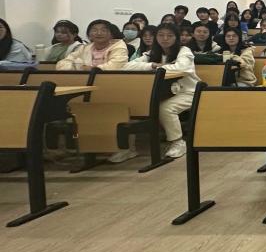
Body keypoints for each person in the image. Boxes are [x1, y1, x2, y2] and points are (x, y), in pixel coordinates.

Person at [121, 23, 199, 161]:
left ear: (176, 38)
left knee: (165, 108)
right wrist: (152, 65)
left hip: (189, 92)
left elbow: (182, 68)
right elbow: (127, 66)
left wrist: (160, 68)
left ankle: (178, 142)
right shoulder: (153, 53)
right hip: (162, 93)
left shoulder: (184, 51)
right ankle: (128, 149)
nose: (165, 39)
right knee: (132, 107)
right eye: (161, 35)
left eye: (169, 35)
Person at [57, 20, 129, 71]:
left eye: (103, 30)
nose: (99, 33)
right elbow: (62, 64)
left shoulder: (119, 47)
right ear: (89, 35)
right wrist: (80, 68)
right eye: (94, 30)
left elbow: (115, 66)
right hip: (83, 80)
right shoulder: (84, 48)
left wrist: (91, 69)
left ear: (111, 34)